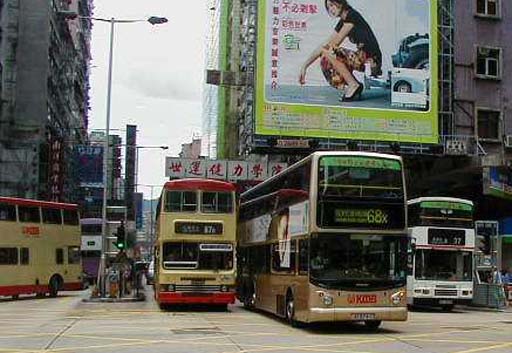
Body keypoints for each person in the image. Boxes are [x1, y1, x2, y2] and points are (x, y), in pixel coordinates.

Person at [298, 0, 382, 101]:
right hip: (362, 57)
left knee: (329, 51)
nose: (331, 10)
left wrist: (326, 49)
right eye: (328, 7)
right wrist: (305, 66)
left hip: (371, 60)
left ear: (341, 3)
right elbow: (325, 44)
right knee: (326, 58)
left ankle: (353, 85)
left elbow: (333, 44)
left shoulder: (351, 15)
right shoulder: (343, 21)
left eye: (332, 5)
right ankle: (355, 85)